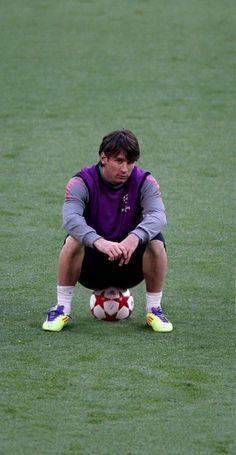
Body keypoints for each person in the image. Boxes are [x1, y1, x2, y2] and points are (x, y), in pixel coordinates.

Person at [42, 129, 173, 333]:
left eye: (130, 162)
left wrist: (133, 238)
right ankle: (61, 308)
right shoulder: (81, 182)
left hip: (129, 263)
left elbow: (158, 215)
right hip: (91, 266)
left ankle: (154, 309)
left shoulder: (145, 181)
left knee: (155, 241)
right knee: (73, 240)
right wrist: (98, 241)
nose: (125, 168)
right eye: (119, 161)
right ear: (103, 158)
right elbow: (71, 219)